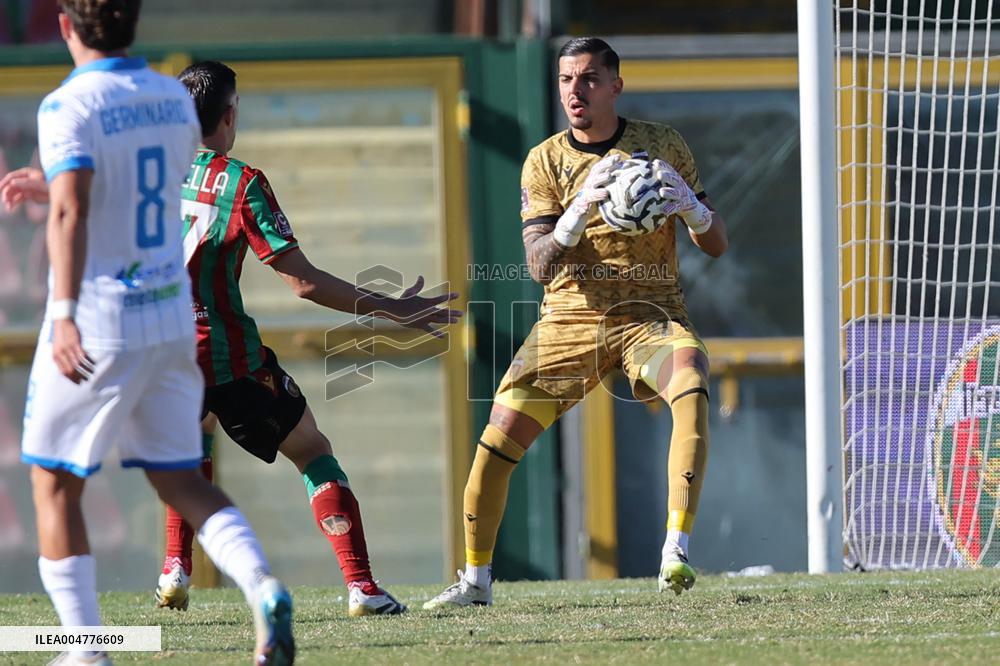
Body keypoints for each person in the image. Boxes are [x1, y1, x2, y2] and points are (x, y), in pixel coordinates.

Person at [15, 2, 294, 664]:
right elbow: (149, 186)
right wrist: (55, 186)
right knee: (182, 480)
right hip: (169, 318)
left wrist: (63, 314)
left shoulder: (67, 105)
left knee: (53, 482)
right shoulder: (171, 101)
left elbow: (73, 212)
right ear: (132, 25)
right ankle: (262, 587)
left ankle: (86, 649)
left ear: (66, 27)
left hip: (101, 317)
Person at [424, 37, 728, 609]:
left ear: (616, 85)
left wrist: (693, 207)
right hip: (571, 318)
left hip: (651, 312)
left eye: (588, 78)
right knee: (498, 438)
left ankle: (675, 549)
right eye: (566, 80)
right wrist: (577, 212)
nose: (574, 91)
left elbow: (717, 244)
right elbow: (538, 265)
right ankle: (475, 581)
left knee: (690, 380)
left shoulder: (662, 146)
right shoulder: (544, 161)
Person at [156, 60, 461, 616]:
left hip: (163, 352)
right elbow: (304, 283)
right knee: (312, 450)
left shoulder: (149, 175)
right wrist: (393, 307)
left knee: (191, 441)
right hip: (228, 356)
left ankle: (175, 568)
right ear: (229, 116)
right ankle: (362, 586)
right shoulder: (242, 182)